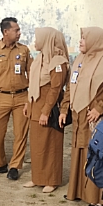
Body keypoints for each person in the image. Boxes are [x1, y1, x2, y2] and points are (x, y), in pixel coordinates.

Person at [60, 27, 103, 206]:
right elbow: (70, 86)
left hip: (95, 117)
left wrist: (99, 107)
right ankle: (77, 191)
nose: (80, 41)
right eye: (81, 38)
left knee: (96, 153)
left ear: (95, 41)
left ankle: (96, 197)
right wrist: (64, 109)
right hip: (79, 115)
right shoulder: (80, 60)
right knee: (79, 151)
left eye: (84, 38)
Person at [0, 17, 32, 180]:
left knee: (20, 134)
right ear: (5, 32)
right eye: (16, 30)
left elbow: (31, 73)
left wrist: (30, 99)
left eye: (19, 30)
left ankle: (15, 166)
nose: (19, 33)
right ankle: (0, 163)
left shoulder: (24, 50)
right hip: (0, 97)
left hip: (21, 97)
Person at [23, 27, 69, 193]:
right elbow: (33, 84)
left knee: (50, 145)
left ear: (47, 39)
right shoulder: (40, 58)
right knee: (37, 145)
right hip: (35, 106)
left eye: (38, 38)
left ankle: (51, 180)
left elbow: (55, 88)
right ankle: (38, 178)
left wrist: (46, 111)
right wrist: (28, 103)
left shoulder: (58, 61)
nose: (35, 41)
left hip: (47, 109)